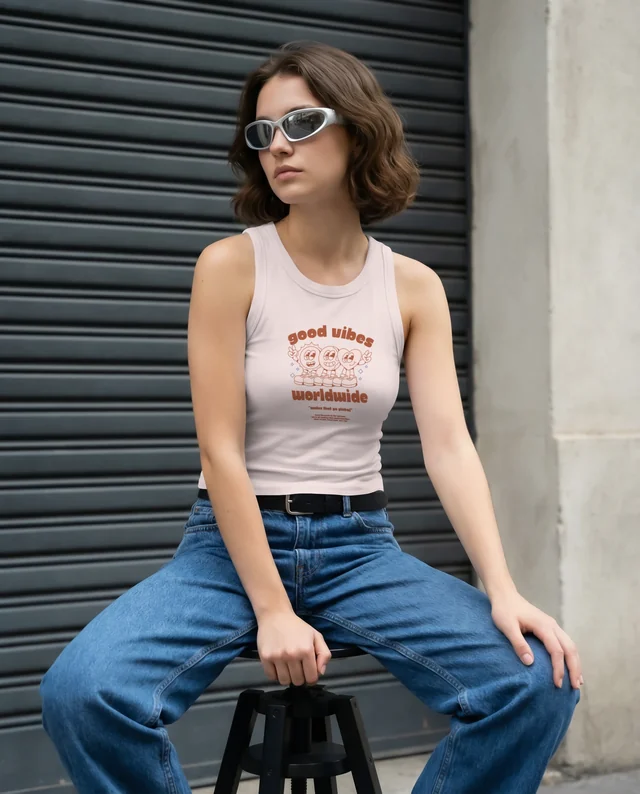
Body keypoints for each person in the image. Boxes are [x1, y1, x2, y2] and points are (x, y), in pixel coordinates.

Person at [39, 40, 582, 794]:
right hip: (227, 551)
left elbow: (450, 447)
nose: (278, 146)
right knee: (83, 693)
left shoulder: (413, 287)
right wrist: (272, 609)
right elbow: (221, 451)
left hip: (360, 547)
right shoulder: (231, 266)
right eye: (263, 133)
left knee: (538, 684)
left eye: (300, 121)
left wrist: (503, 588)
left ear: (357, 128)